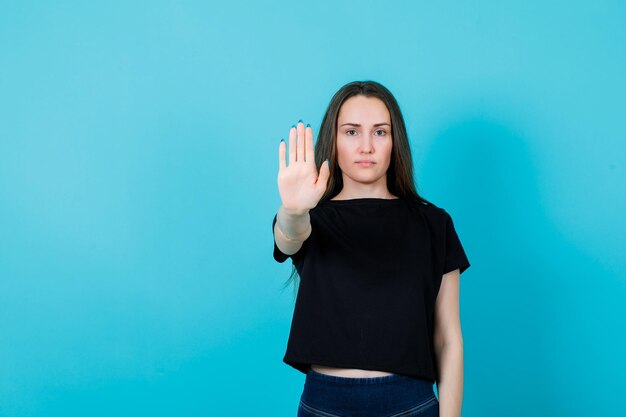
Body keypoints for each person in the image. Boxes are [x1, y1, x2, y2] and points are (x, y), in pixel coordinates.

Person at [272, 80, 470, 417]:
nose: (366, 146)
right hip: (325, 403)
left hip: (409, 403)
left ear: (395, 142)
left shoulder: (433, 224)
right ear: (333, 141)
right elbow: (288, 238)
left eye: (379, 132)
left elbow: (448, 338)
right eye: (351, 132)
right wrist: (292, 210)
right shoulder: (311, 219)